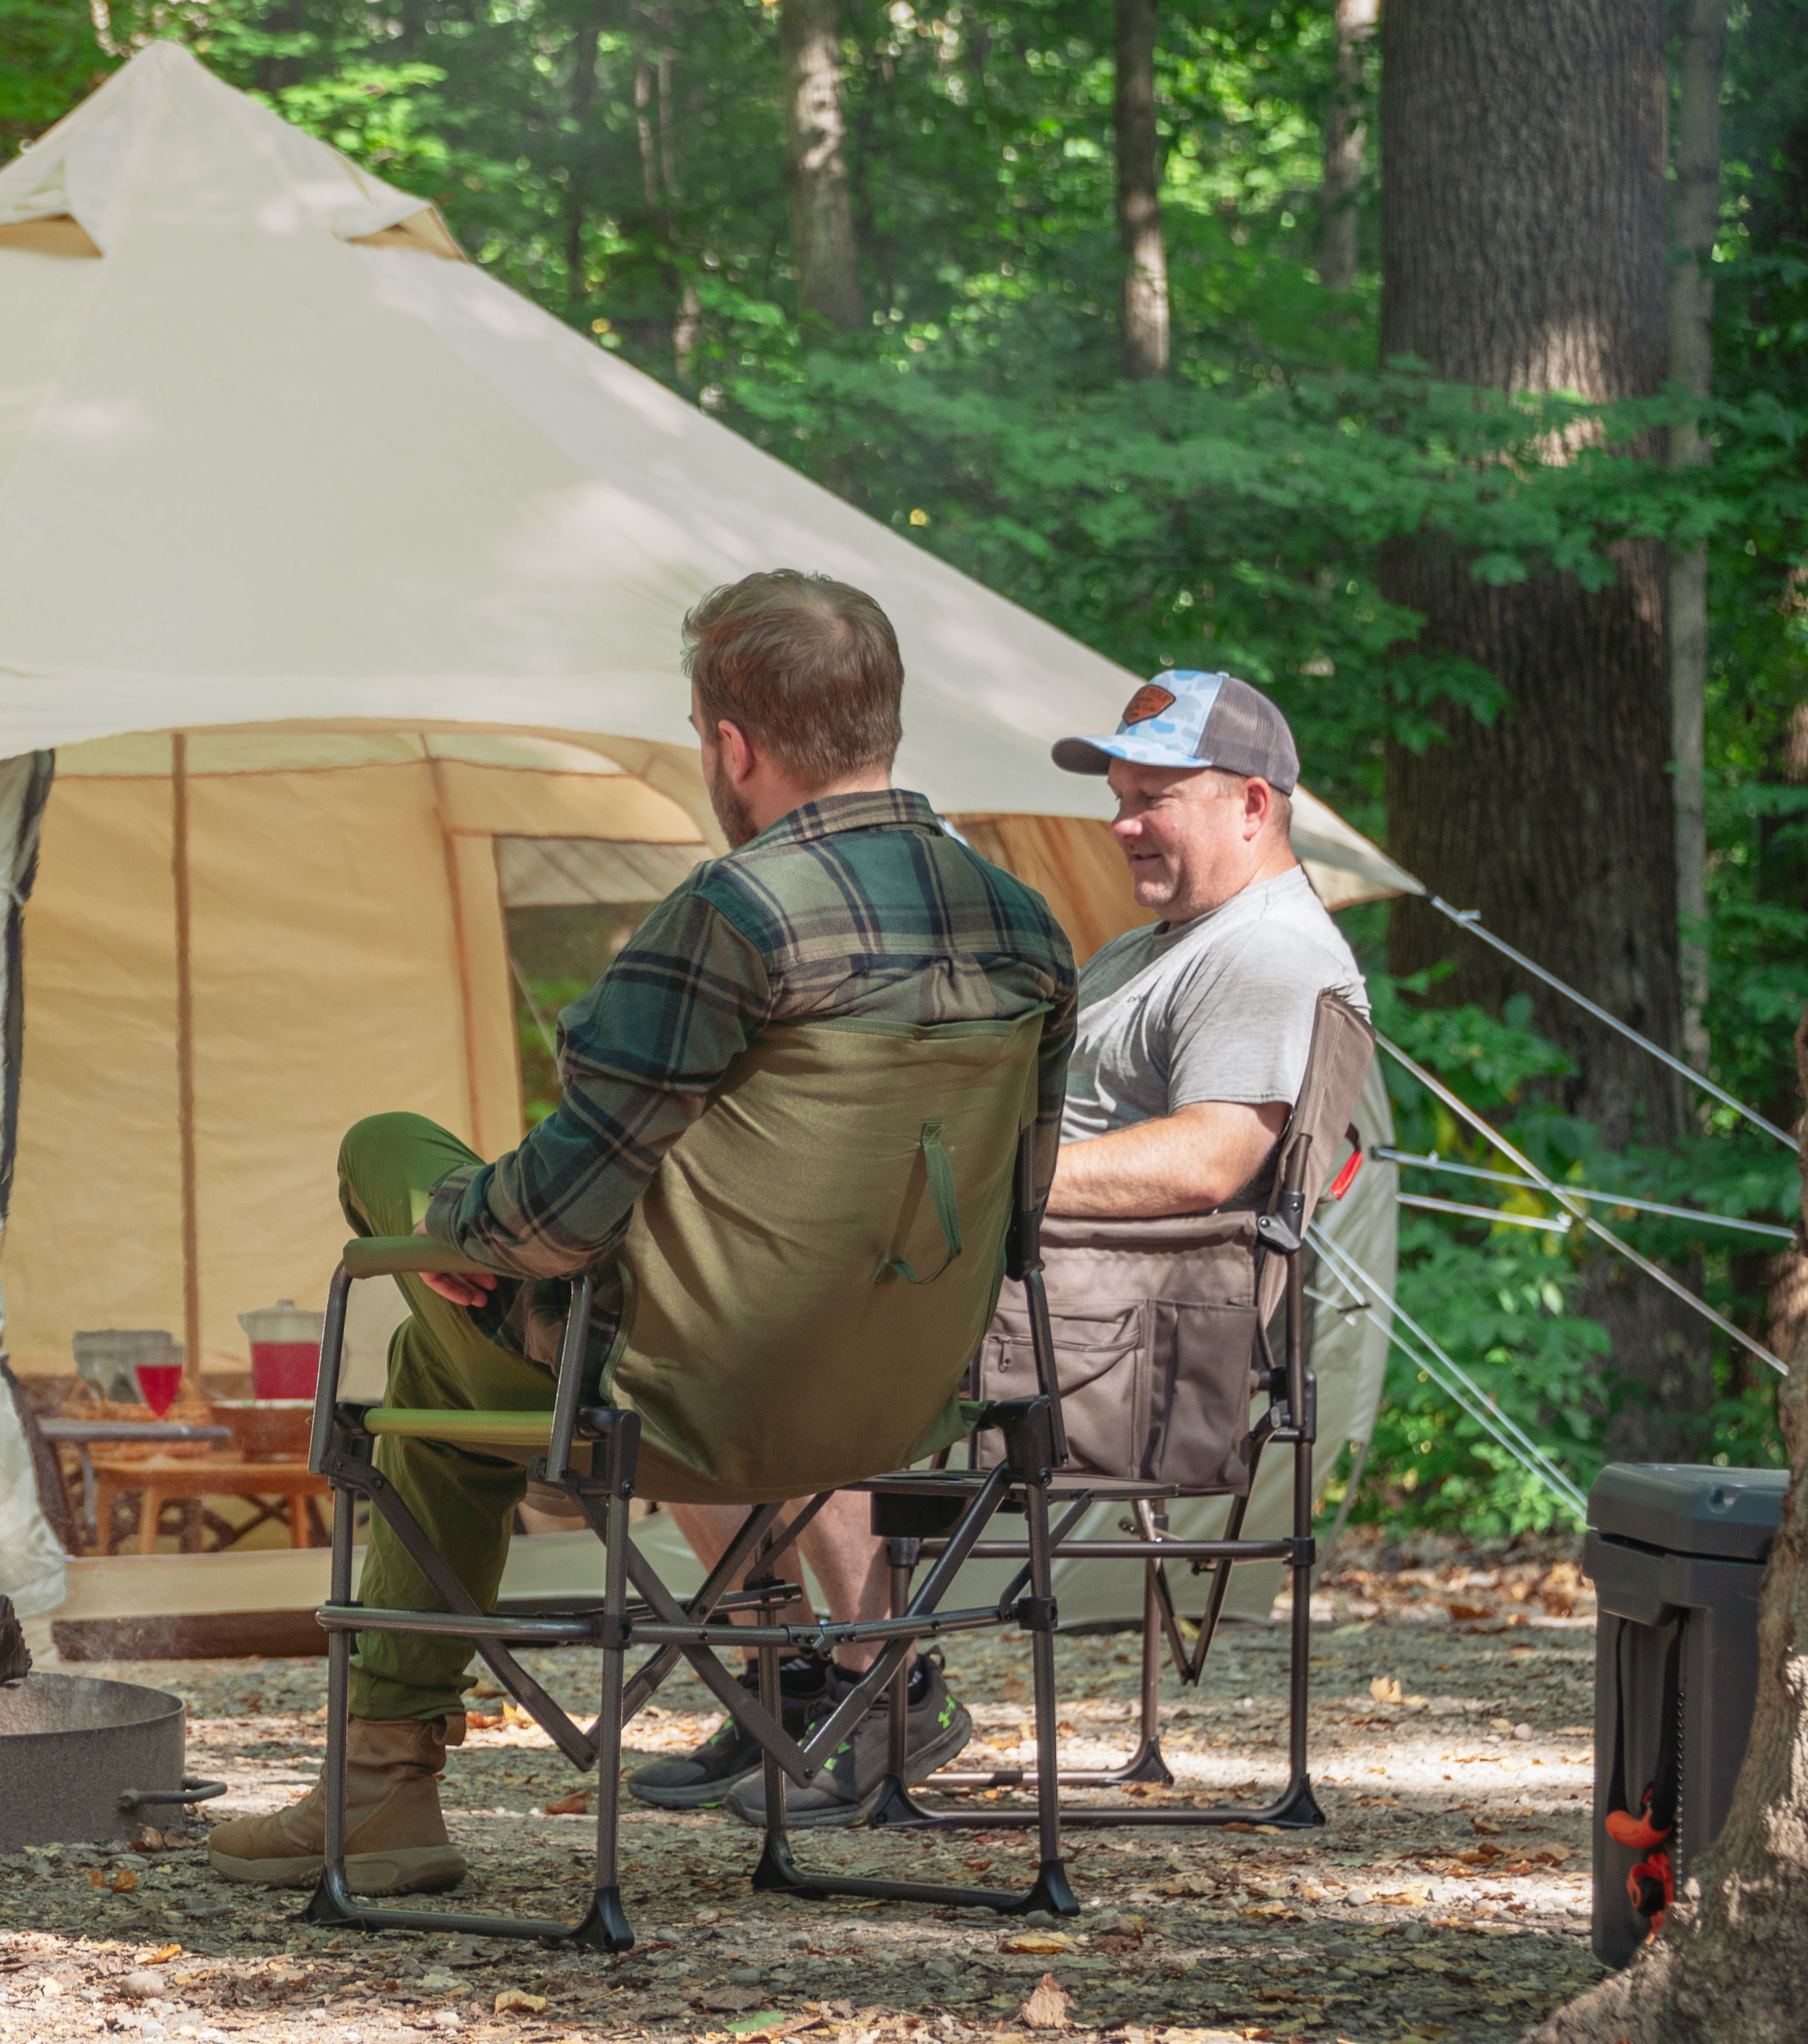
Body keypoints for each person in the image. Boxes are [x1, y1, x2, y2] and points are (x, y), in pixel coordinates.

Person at [207, 573, 1077, 1895]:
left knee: (393, 1165)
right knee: (454, 1359)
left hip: (679, 1406)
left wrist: (463, 1224)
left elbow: (554, 1223)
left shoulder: (733, 917)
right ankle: (375, 1791)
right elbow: (1020, 1206)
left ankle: (380, 1789)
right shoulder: (1028, 928)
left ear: (732, 743)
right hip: (907, 1412)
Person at [1041, 670, 1368, 1214]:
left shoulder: (1270, 949)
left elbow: (1207, 1163)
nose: (1121, 825)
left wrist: (992, 1181)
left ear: (1252, 807)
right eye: (1120, 798)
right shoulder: (1151, 944)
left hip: (1090, 1293)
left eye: (1152, 798)